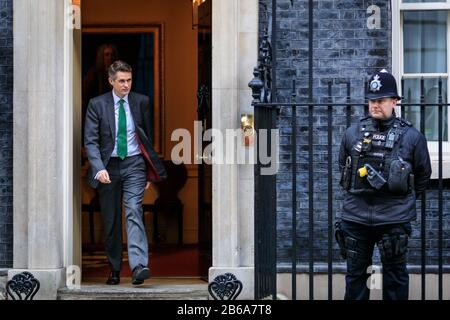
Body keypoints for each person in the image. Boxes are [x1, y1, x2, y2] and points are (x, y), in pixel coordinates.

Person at [336, 69, 432, 300]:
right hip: (355, 217)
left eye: (380, 100)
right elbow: (343, 167)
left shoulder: (412, 137)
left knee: (395, 278)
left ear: (395, 101)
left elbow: (423, 175)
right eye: (371, 100)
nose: (375, 105)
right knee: (356, 277)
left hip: (394, 219)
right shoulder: (352, 133)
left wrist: (400, 201)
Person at [84, 60, 167, 285]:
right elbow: (90, 141)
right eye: (121, 81)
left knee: (133, 210)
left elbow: (146, 138)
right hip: (107, 167)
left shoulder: (142, 102)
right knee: (111, 220)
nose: (126, 85)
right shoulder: (97, 104)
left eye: (129, 80)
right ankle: (114, 268)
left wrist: (148, 171)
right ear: (111, 81)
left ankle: (139, 266)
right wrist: (98, 168)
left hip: (134, 165)